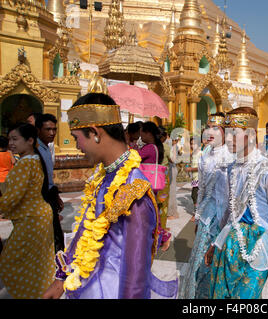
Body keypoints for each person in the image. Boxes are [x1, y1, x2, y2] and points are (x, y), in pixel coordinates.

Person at [42, 93, 177, 299]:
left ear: (95, 133)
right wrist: (62, 279)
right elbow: (85, 233)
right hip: (88, 284)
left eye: (77, 138)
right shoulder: (104, 175)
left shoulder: (133, 190)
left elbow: (135, 278)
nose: (77, 148)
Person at [206, 107, 268, 299]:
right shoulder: (233, 168)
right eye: (227, 133)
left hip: (257, 248)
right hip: (229, 246)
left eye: (234, 133)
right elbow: (230, 212)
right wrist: (215, 242)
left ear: (251, 135)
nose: (227, 139)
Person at [179, 113, 233, 299]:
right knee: (201, 260)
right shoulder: (204, 155)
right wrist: (198, 215)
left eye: (216, 128)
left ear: (227, 132)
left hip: (225, 218)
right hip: (206, 215)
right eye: (208, 127)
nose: (210, 132)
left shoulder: (231, 157)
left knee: (219, 262)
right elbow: (201, 189)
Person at [0, 123, 55, 299]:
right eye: (10, 139)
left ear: (30, 140)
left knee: (11, 260)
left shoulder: (25, 163)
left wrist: (2, 207)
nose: (11, 143)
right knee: (37, 262)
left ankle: (28, 293)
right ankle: (37, 293)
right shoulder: (34, 159)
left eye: (15, 139)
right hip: (38, 216)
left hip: (31, 219)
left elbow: (13, 196)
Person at [139, 121, 171, 251]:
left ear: (148, 133)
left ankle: (163, 236)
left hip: (147, 184)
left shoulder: (149, 148)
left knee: (150, 214)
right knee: (152, 212)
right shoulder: (157, 147)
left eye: (141, 133)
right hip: (152, 184)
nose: (140, 136)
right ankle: (158, 238)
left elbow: (134, 157)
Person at [36, 113, 65, 253]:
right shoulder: (35, 150)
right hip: (41, 198)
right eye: (48, 129)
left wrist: (56, 196)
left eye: (54, 129)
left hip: (50, 195)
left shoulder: (47, 147)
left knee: (55, 232)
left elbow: (49, 178)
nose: (52, 133)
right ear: (38, 130)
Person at [167, 135, 181, 220]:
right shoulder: (171, 146)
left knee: (171, 190)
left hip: (172, 168)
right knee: (169, 190)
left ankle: (171, 212)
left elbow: (174, 159)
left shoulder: (174, 147)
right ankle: (170, 211)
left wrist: (168, 157)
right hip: (170, 168)